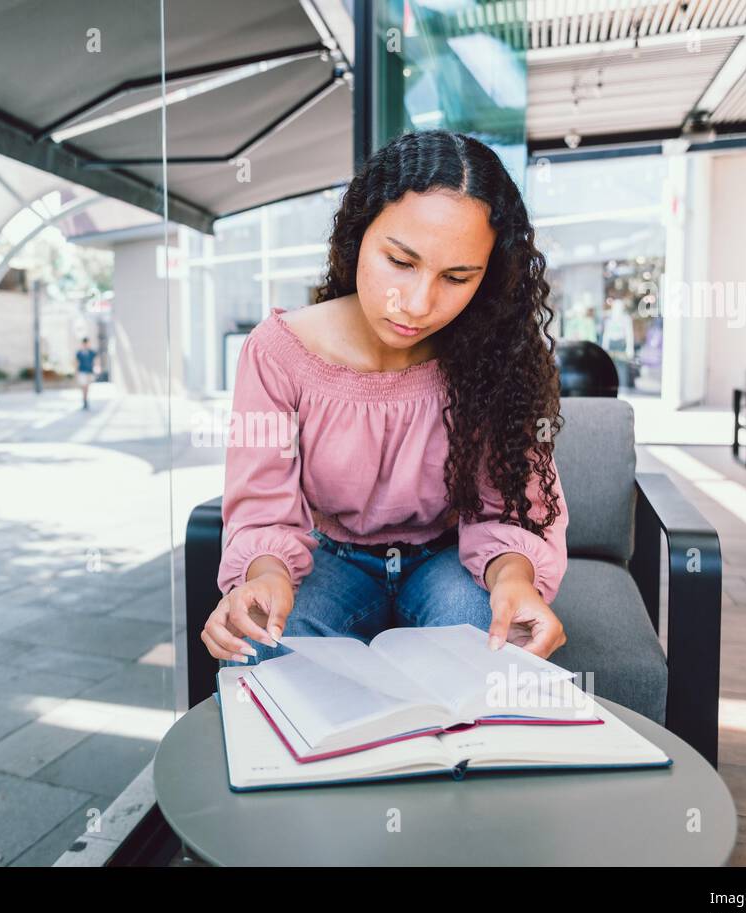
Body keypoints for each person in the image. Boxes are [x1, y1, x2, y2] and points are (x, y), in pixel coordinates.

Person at [202, 129, 570, 671]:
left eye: (457, 276)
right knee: (257, 651)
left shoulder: (495, 353)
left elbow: (509, 510)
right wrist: (265, 576)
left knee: (503, 656)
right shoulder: (278, 353)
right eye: (400, 262)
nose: (418, 304)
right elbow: (262, 511)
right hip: (329, 561)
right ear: (359, 234)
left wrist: (515, 579)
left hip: (451, 560)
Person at [75, 337, 98, 410]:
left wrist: (96, 368)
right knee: (83, 387)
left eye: (87, 343)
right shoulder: (79, 353)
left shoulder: (92, 352)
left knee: (86, 387)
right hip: (82, 371)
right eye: (85, 343)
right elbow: (76, 363)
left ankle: (85, 400)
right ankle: (84, 400)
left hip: (89, 372)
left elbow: (96, 360)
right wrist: (76, 373)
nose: (86, 345)